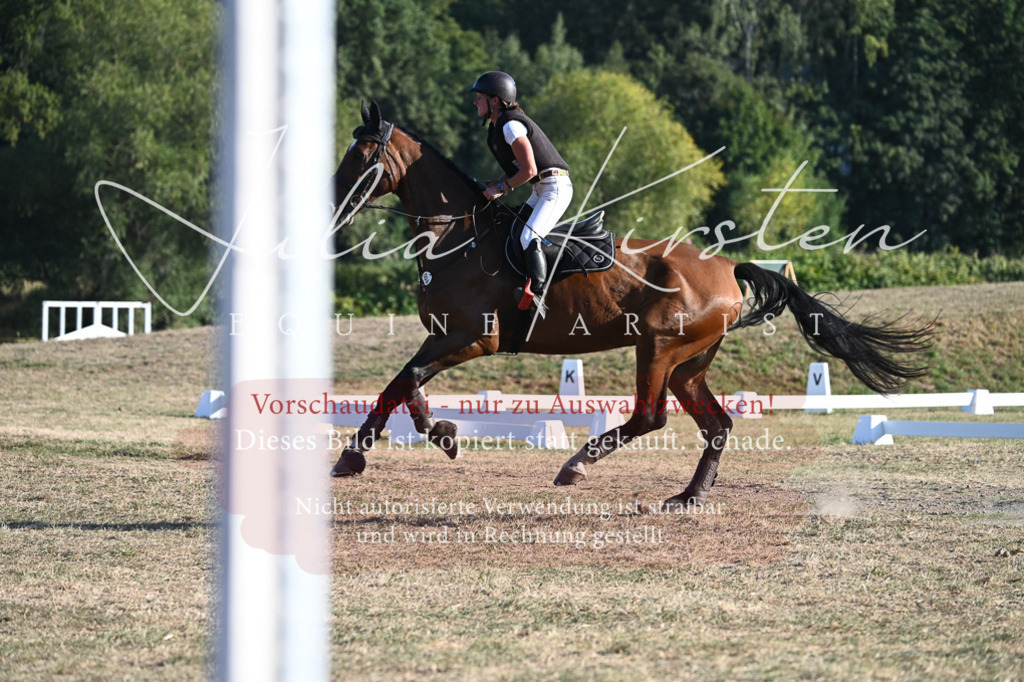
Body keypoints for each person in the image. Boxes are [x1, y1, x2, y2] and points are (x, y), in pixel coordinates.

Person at [468, 71, 573, 317]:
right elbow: (520, 169)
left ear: (495, 100)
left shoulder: (511, 126)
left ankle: (538, 295)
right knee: (513, 230)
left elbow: (530, 170)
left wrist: (501, 188)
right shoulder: (499, 127)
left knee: (528, 237)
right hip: (541, 188)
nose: (475, 101)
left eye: (480, 97)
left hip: (555, 187)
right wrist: (498, 181)